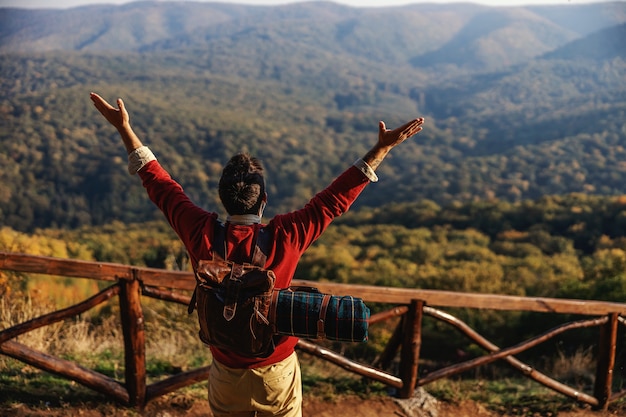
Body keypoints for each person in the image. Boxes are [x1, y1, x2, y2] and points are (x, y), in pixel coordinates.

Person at [90, 91, 425, 417]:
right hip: (276, 371)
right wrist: (382, 148)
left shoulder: (200, 232)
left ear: (223, 198)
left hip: (225, 372)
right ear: (263, 200)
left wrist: (124, 129)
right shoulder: (287, 234)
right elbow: (334, 200)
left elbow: (160, 186)